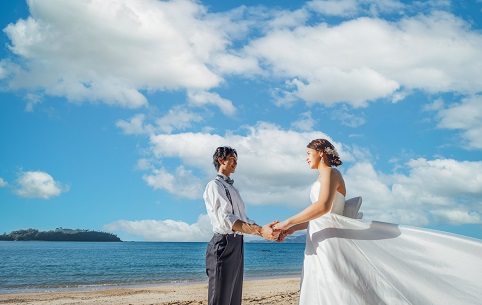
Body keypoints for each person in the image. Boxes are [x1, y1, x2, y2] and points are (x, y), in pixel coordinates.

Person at [274, 138, 482, 305]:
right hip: (319, 239)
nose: (306, 158)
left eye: (308, 153)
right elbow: (320, 217)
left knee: (334, 285)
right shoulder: (321, 178)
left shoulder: (331, 173)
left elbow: (323, 207)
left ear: (321, 153)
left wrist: (286, 222)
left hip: (332, 242)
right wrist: (293, 228)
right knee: (320, 284)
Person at [204, 146, 279, 305]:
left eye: (237, 161)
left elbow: (243, 219)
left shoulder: (233, 190)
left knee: (234, 298)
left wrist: (266, 231)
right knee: (220, 299)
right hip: (223, 244)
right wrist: (260, 231)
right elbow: (227, 219)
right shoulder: (214, 186)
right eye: (232, 159)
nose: (236, 163)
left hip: (237, 244)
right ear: (221, 160)